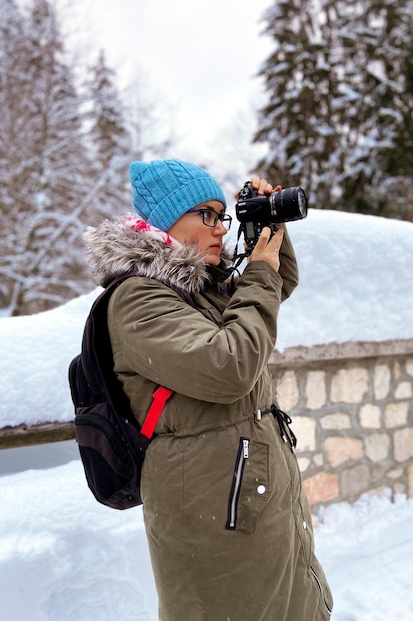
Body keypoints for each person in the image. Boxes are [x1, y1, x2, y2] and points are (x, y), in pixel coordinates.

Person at [83, 159, 333, 620]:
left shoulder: (198, 291)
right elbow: (229, 366)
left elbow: (274, 289)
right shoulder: (137, 297)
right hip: (211, 508)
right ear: (165, 221)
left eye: (224, 216)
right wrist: (259, 270)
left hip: (243, 493)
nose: (221, 228)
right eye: (207, 215)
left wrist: (267, 237)